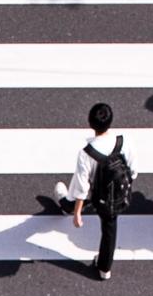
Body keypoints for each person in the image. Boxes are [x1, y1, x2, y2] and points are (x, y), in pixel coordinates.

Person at [53, 101, 135, 281]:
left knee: (80, 183)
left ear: (91, 123)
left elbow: (83, 186)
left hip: (99, 195)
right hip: (118, 194)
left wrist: (77, 213)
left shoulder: (86, 153)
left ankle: (68, 204)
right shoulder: (122, 142)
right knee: (109, 230)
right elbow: (132, 169)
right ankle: (104, 268)